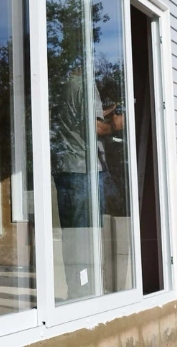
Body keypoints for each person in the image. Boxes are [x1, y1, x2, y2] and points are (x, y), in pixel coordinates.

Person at [51, 70, 124, 301]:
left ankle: (77, 291)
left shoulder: (66, 85)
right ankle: (84, 295)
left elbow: (79, 120)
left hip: (68, 169)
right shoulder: (85, 84)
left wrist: (105, 112)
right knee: (86, 236)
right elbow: (95, 128)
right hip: (83, 171)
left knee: (74, 236)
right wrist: (117, 124)